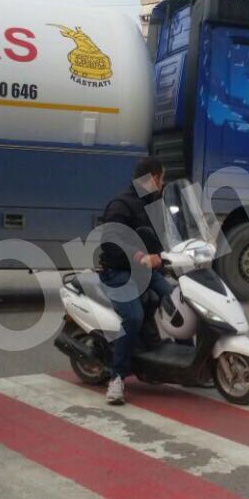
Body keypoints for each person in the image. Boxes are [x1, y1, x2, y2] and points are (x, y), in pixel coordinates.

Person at [98, 156, 174, 406]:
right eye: (162, 178)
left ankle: (186, 359)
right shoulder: (121, 204)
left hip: (146, 272)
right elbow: (111, 240)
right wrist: (140, 256)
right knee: (133, 317)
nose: (163, 184)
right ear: (153, 178)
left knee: (177, 298)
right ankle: (117, 378)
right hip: (118, 272)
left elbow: (167, 236)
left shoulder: (156, 204)